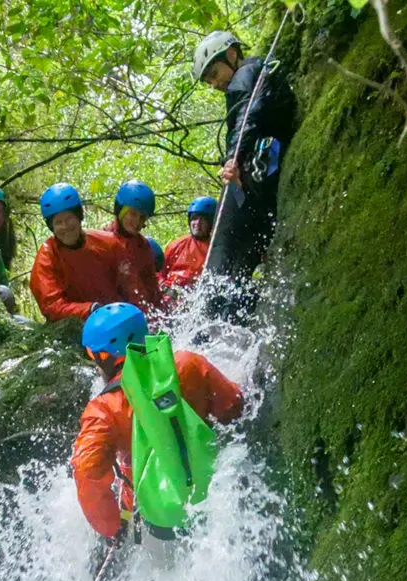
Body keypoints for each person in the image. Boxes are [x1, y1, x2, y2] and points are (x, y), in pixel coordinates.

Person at [70, 304, 246, 540]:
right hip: (218, 488)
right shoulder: (187, 363)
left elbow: (86, 470)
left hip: (159, 518)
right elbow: (234, 406)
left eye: (93, 355)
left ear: (104, 356)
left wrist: (113, 528)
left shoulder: (102, 410)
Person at [194, 30, 297, 281]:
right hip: (263, 173)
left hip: (254, 171)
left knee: (225, 249)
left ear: (231, 54)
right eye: (209, 81)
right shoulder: (258, 72)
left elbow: (248, 116)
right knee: (241, 258)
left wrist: (233, 159)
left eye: (214, 74)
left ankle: (213, 302)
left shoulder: (245, 75)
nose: (214, 84)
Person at [27, 184, 149, 323]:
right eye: (58, 222)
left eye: (69, 219)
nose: (66, 227)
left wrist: (139, 317)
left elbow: (132, 288)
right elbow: (52, 307)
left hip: (116, 317)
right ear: (52, 227)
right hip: (75, 325)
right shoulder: (46, 258)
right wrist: (89, 309)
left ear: (79, 217)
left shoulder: (110, 244)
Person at [96, 180, 166, 303]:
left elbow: (152, 291)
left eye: (142, 217)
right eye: (133, 214)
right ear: (121, 211)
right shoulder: (100, 240)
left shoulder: (143, 247)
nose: (137, 221)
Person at [162, 196, 217, 289]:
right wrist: (164, 288)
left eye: (203, 220)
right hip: (171, 294)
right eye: (194, 218)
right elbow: (158, 274)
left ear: (211, 223)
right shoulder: (176, 245)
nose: (197, 223)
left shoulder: (216, 250)